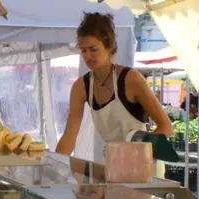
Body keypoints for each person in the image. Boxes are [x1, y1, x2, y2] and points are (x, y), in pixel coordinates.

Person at [55, 12, 172, 176]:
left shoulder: (131, 79)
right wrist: (55, 167)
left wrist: (137, 152)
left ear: (109, 46)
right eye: (83, 50)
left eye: (93, 49)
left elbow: (166, 126)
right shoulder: (81, 87)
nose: (87, 56)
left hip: (145, 168)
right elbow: (69, 137)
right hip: (115, 167)